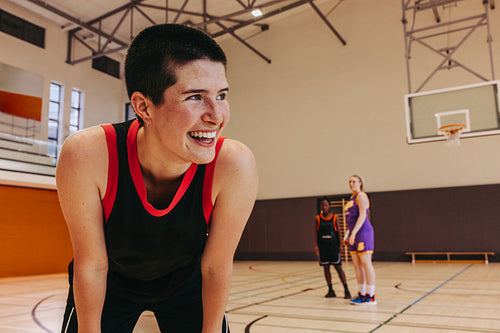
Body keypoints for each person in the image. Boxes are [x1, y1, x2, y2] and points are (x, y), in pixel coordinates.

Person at [56, 24, 258, 333]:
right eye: (195, 97)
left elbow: (216, 267)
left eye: (221, 95)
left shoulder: (233, 163)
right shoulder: (88, 154)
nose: (216, 116)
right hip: (110, 283)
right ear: (143, 107)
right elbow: (92, 264)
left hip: (187, 285)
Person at [343, 175, 376, 305]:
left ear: (360, 183)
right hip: (353, 234)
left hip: (363, 232)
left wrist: (354, 233)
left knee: (366, 263)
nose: (351, 184)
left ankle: (371, 295)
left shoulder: (361, 196)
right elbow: (350, 222)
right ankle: (361, 294)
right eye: (349, 182)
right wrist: (348, 235)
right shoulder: (350, 199)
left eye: (354, 181)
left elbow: (362, 215)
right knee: (357, 265)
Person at [314, 199, 351, 299]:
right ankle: (330, 290)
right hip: (323, 246)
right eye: (322, 205)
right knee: (326, 268)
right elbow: (316, 233)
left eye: (325, 205)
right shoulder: (317, 218)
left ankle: (346, 289)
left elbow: (339, 231)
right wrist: (316, 245)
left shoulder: (335, 217)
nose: (324, 207)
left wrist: (340, 245)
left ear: (329, 206)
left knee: (338, 268)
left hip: (333, 245)